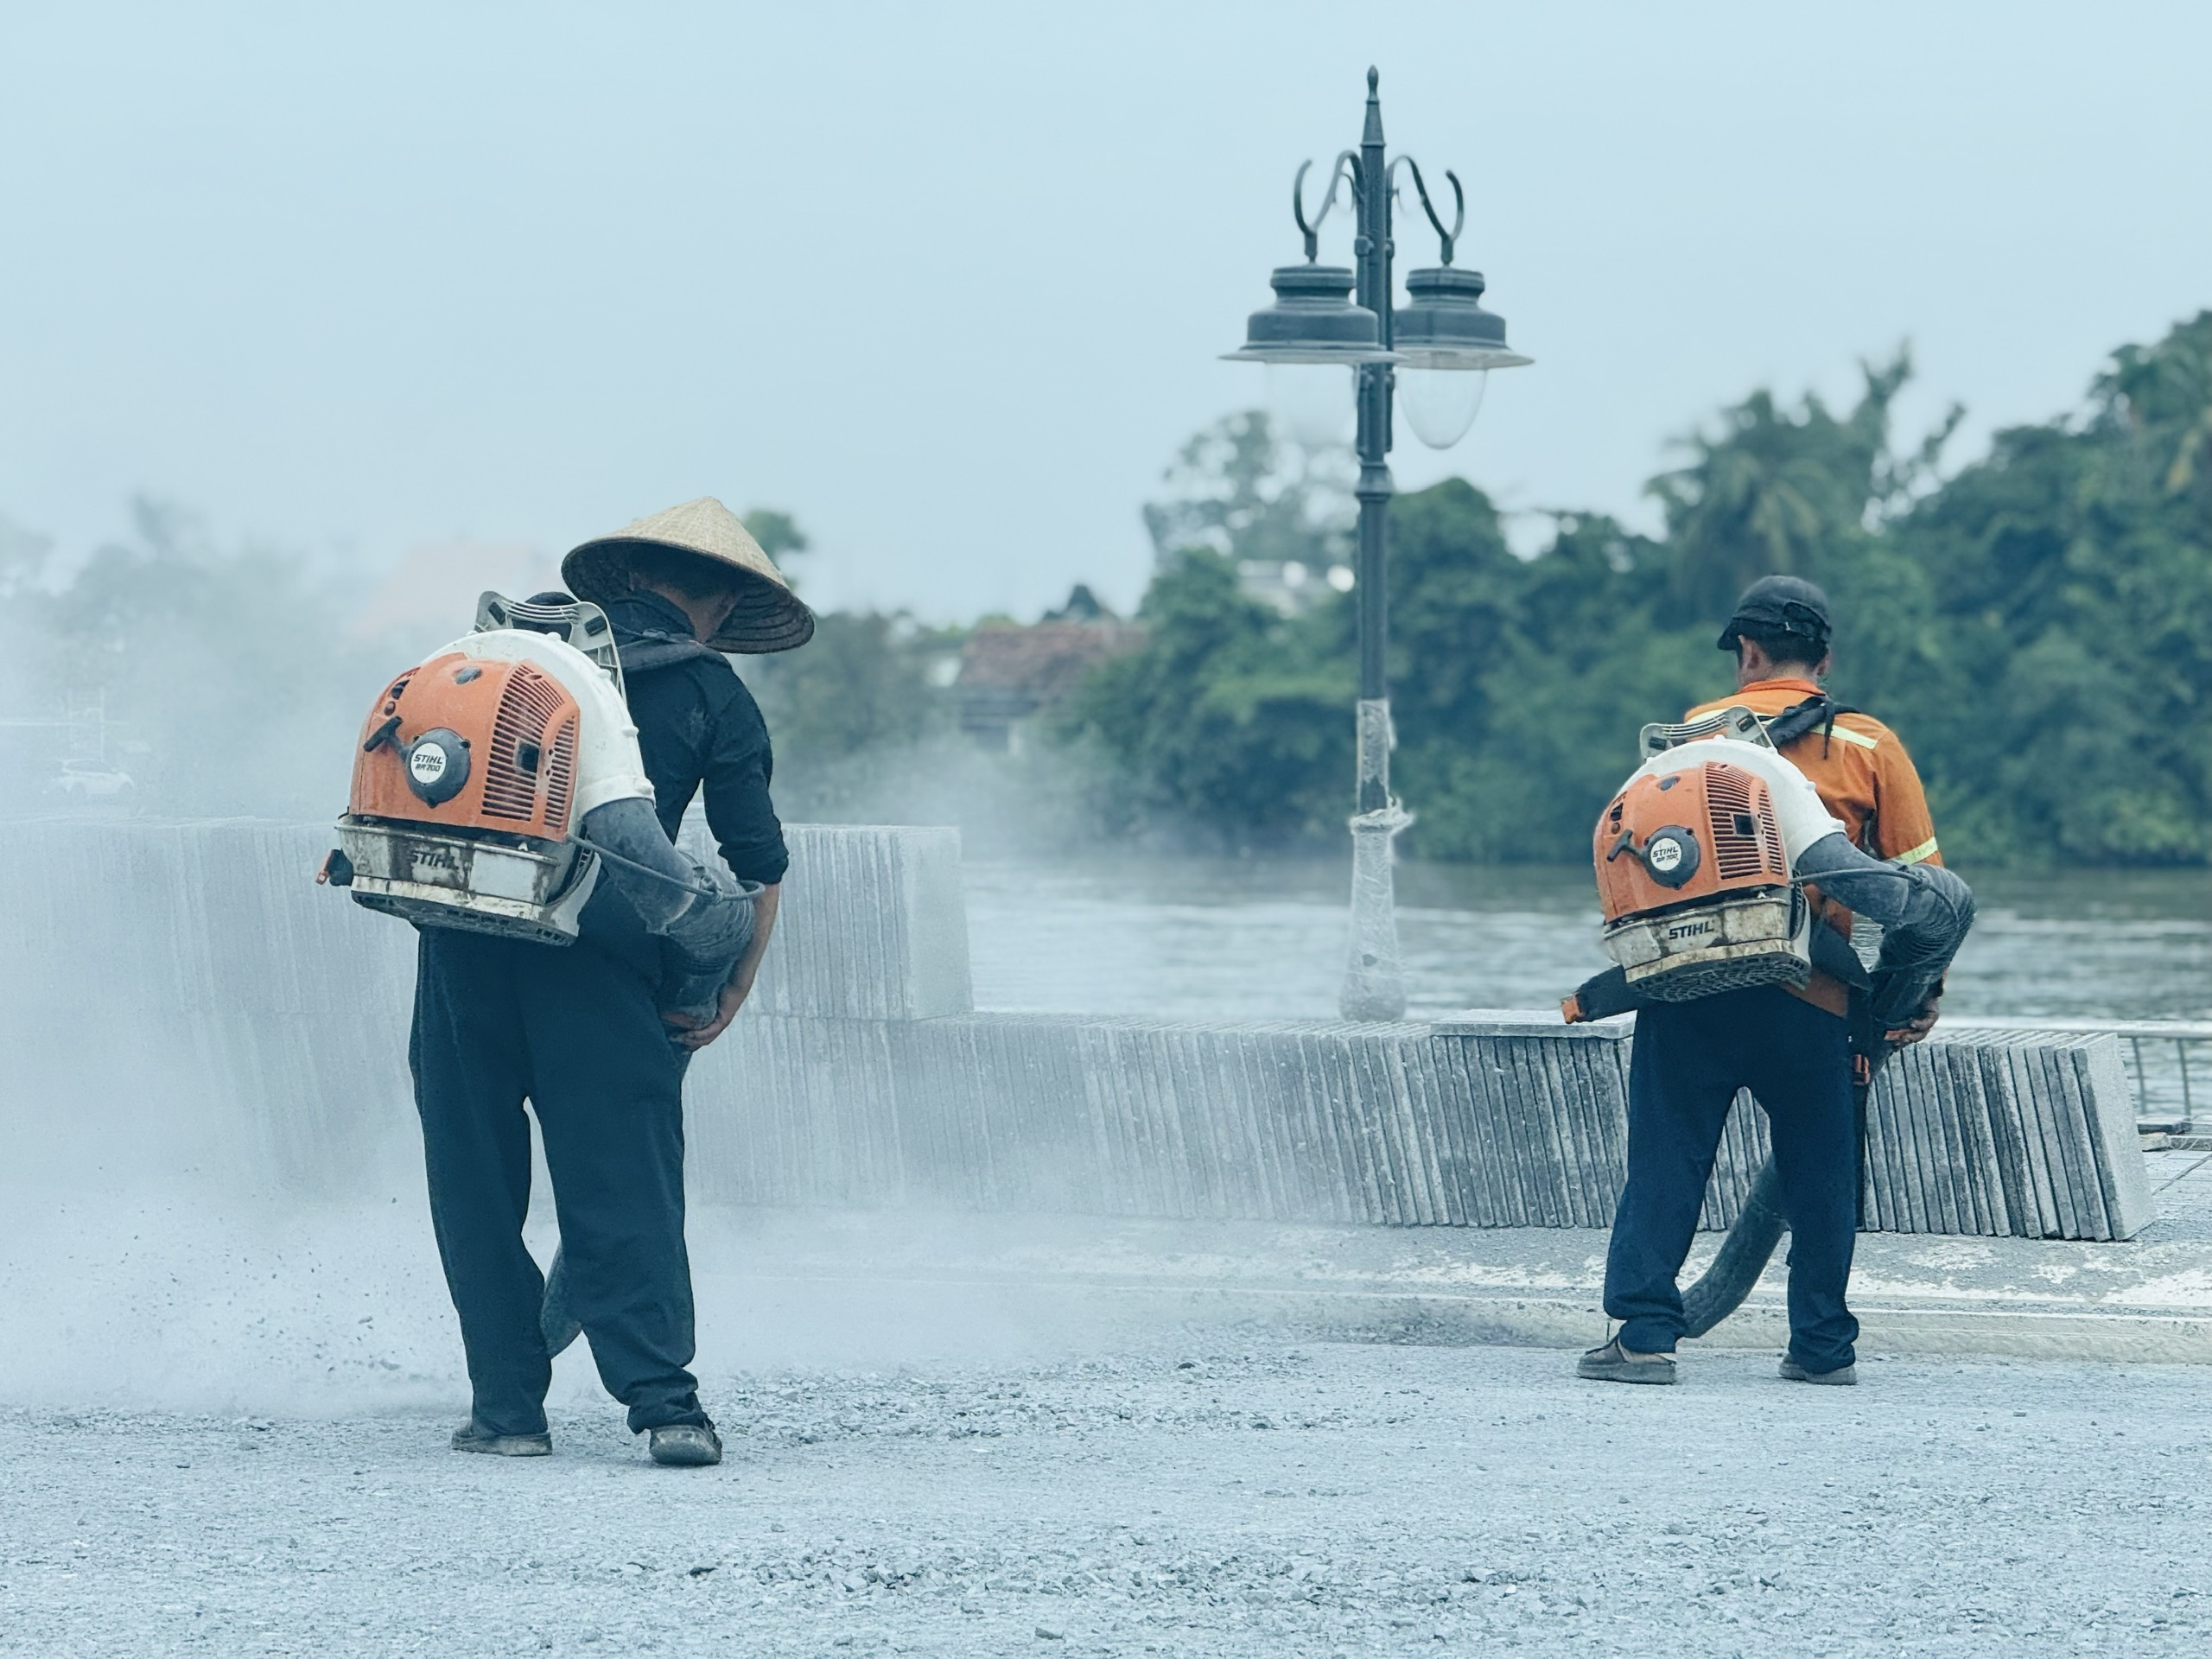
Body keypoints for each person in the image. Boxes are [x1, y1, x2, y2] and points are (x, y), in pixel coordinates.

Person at [410, 497, 811, 1465]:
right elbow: (755, 865)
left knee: (474, 1178)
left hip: (461, 939)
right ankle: (666, 1407)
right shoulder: (709, 691)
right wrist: (723, 993)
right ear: (715, 599)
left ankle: (507, 1412)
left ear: (624, 577)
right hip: (601, 950)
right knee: (619, 1176)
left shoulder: (499, 660)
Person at [1580, 574, 1950, 1389]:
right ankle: (1821, 1348)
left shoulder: (1688, 738)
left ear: (1746, 653)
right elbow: (1924, 890)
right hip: (1811, 998)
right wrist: (1917, 996)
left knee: (1668, 1161)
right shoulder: (1867, 745)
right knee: (1821, 1171)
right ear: (1825, 655)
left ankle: (1643, 1337)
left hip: (1690, 993)